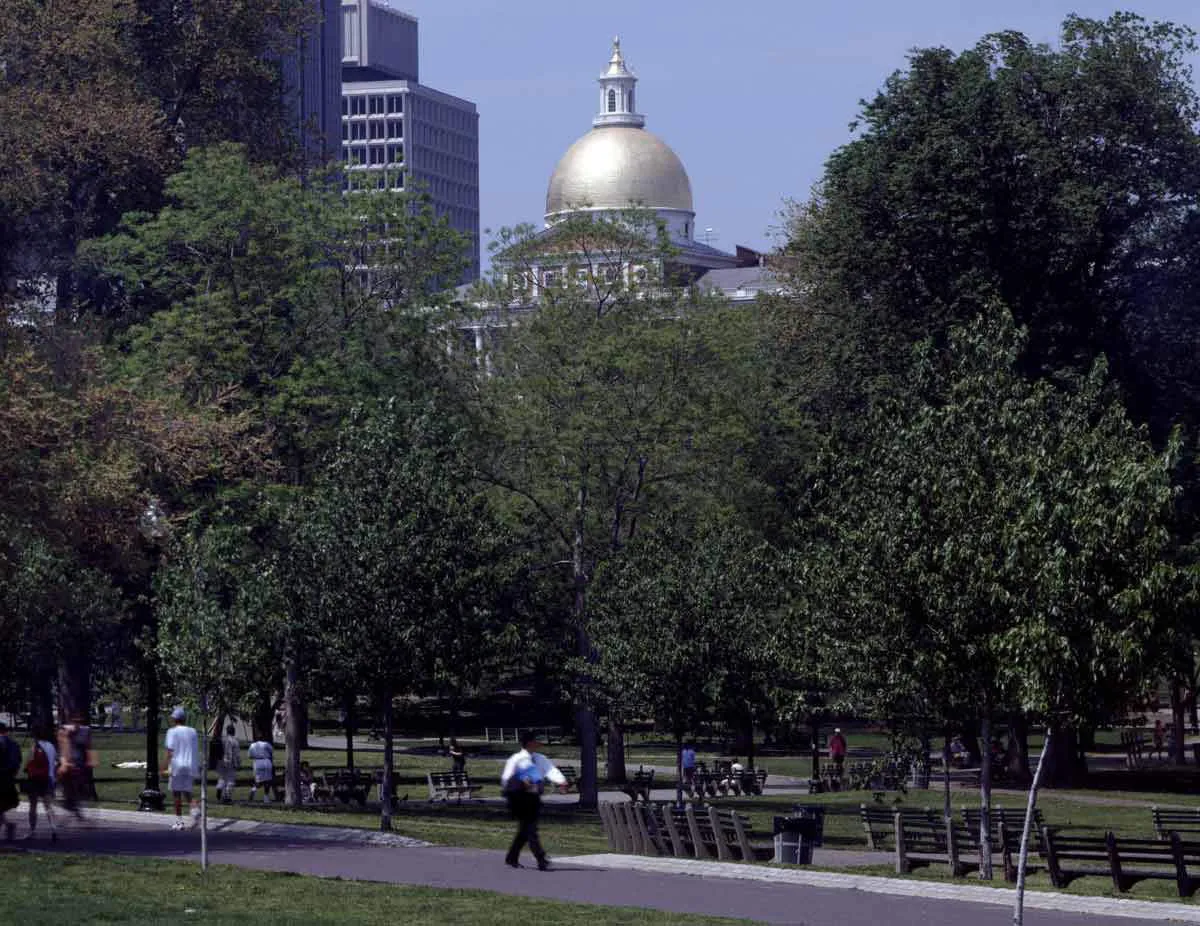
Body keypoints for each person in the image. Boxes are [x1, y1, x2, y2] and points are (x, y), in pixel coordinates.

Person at [499, 732, 567, 870]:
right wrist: (520, 782)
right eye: (536, 741)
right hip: (519, 798)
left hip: (533, 798)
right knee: (530, 829)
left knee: (525, 830)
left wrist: (561, 781)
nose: (539, 743)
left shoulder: (540, 758)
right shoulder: (516, 759)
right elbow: (506, 779)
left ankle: (511, 857)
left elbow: (550, 770)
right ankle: (541, 859)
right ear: (529, 743)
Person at [161, 707, 200, 830]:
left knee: (176, 794)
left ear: (174, 719)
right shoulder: (193, 731)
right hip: (190, 765)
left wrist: (163, 767)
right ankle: (195, 810)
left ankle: (179, 821)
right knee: (187, 792)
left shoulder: (172, 732)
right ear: (184, 719)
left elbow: (170, 751)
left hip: (177, 765)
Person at [23, 723, 57, 842]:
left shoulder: (34, 747)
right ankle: (54, 829)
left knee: (33, 806)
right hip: (49, 779)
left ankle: (32, 831)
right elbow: (54, 763)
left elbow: (29, 764)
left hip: (35, 780)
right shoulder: (51, 746)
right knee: (48, 806)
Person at [58, 712, 94, 818]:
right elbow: (63, 748)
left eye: (79, 721)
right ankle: (62, 794)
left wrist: (91, 760)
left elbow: (89, 746)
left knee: (78, 782)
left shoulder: (86, 730)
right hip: (66, 758)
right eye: (74, 721)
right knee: (63, 773)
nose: (76, 723)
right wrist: (65, 763)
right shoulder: (64, 730)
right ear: (70, 721)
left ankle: (75, 803)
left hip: (79, 761)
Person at [0, 722, 21, 840]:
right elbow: (17, 763)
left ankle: (9, 826)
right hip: (8, 781)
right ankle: (9, 825)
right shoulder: (15, 745)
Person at [216, 724, 240, 804]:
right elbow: (236, 754)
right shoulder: (235, 741)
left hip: (221, 762)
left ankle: (219, 787)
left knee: (222, 777)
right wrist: (237, 764)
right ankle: (227, 797)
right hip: (230, 762)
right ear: (234, 731)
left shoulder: (222, 739)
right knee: (230, 780)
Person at [248, 736, 274, 803]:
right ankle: (266, 798)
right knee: (267, 781)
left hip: (257, 762)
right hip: (266, 761)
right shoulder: (266, 744)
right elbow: (272, 751)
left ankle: (253, 789)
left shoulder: (252, 745)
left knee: (258, 780)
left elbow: (249, 756)